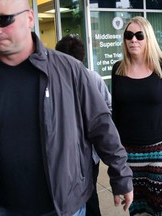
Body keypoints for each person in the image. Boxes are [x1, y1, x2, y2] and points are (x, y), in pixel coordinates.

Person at [0, 0, 133, 215]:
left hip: (66, 206)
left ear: (30, 18)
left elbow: (101, 125)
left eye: (3, 19)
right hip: (3, 208)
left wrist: (121, 175)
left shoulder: (69, 70)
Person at [111, 16, 162, 216]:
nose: (133, 40)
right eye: (129, 35)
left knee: (159, 204)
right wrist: (113, 148)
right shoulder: (118, 69)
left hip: (159, 148)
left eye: (139, 35)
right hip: (128, 150)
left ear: (148, 38)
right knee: (135, 204)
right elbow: (116, 111)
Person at [55, 34, 112, 216]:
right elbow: (108, 109)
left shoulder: (91, 79)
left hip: (79, 152)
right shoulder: (93, 78)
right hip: (84, 152)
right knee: (89, 192)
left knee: (86, 193)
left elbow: (107, 109)